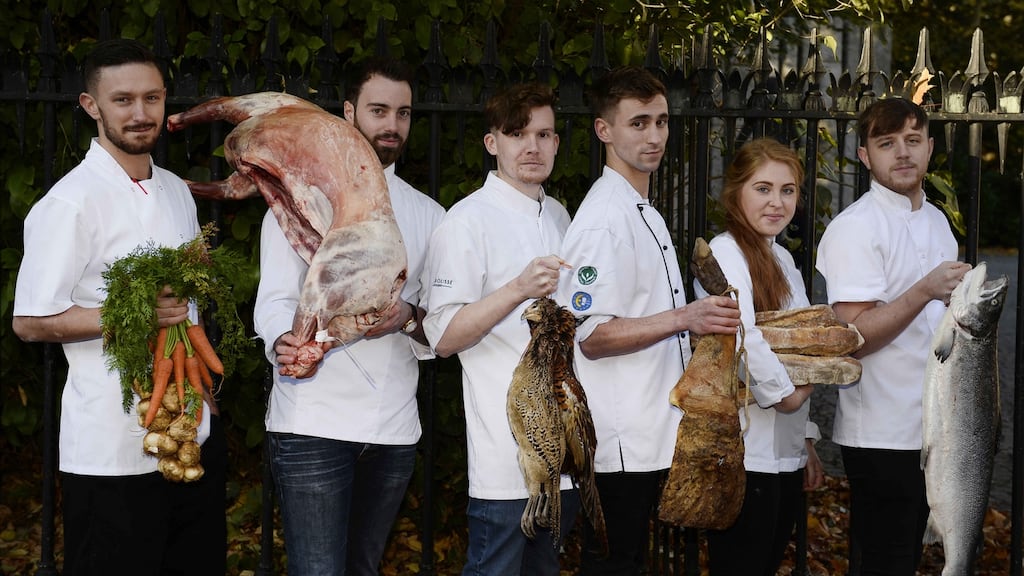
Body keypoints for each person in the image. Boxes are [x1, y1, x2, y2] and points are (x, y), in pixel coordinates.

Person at [11, 39, 226, 575]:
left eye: (152, 98)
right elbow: (30, 321)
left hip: (189, 442)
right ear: (91, 106)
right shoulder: (69, 202)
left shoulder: (176, 190)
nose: (140, 113)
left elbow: (188, 305)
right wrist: (133, 315)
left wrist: (206, 404)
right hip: (109, 451)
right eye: (123, 99)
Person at [253, 56, 444, 576]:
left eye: (403, 113)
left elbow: (441, 322)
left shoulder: (430, 215)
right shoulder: (298, 197)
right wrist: (281, 342)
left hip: (393, 428)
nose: (391, 125)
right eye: (379, 110)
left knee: (363, 567)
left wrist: (406, 315)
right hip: (310, 422)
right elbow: (273, 298)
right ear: (348, 111)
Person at [556, 66, 741, 575]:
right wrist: (687, 315)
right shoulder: (602, 220)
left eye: (661, 121)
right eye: (638, 123)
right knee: (611, 564)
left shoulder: (643, 209)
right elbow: (590, 336)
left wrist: (695, 322)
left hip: (650, 435)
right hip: (619, 443)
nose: (655, 135)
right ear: (604, 131)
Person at [419, 82, 579, 575]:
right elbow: (441, 336)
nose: (531, 147)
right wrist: (517, 288)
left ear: (556, 143)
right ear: (492, 143)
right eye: (517, 134)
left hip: (565, 460)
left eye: (544, 134)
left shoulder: (559, 215)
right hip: (503, 461)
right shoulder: (465, 222)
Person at [815, 98, 971, 575]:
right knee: (885, 561)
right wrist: (924, 290)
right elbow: (855, 335)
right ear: (865, 156)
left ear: (929, 148)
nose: (901, 153)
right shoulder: (854, 229)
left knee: (913, 556)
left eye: (912, 141)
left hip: (939, 427)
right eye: (886, 143)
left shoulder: (938, 222)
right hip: (881, 432)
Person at [693, 138, 825, 575]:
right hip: (743, 455)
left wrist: (805, 437)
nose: (777, 202)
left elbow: (804, 344)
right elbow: (743, 335)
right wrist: (788, 397)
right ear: (736, 193)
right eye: (763, 188)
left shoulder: (783, 258)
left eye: (787, 190)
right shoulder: (725, 254)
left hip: (783, 453)